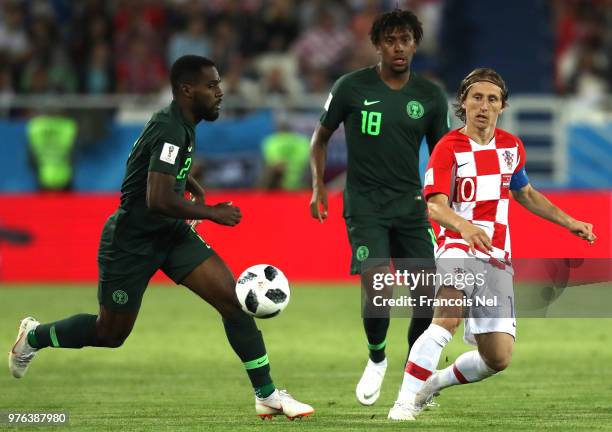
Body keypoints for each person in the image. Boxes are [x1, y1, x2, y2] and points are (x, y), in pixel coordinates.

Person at [9, 55, 314, 420]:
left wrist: (193, 186)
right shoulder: (172, 127)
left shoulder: (179, 123)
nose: (220, 93)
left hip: (169, 234)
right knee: (110, 333)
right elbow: (157, 197)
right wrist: (212, 212)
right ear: (187, 90)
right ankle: (34, 336)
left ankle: (266, 395)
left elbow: (154, 168)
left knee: (232, 302)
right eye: (212, 85)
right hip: (131, 240)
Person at [388, 67, 597, 420]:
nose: (484, 106)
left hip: (496, 256)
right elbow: (435, 206)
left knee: (497, 357)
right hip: (456, 244)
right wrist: (465, 227)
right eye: (477, 98)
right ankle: (404, 402)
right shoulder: (448, 148)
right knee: (447, 319)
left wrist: (570, 222)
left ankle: (433, 383)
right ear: (464, 103)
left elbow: (525, 193)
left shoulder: (512, 147)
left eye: (492, 99)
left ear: (502, 106)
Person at [309, 9, 450, 406]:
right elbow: (320, 139)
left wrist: (443, 203)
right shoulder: (351, 87)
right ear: (377, 45)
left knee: (425, 296)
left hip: (410, 206)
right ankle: (376, 357)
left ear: (415, 44)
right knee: (377, 286)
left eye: (405, 39)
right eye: (390, 40)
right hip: (365, 205)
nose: (398, 47)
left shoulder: (429, 96)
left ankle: (415, 376)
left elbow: (442, 157)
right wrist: (319, 187)